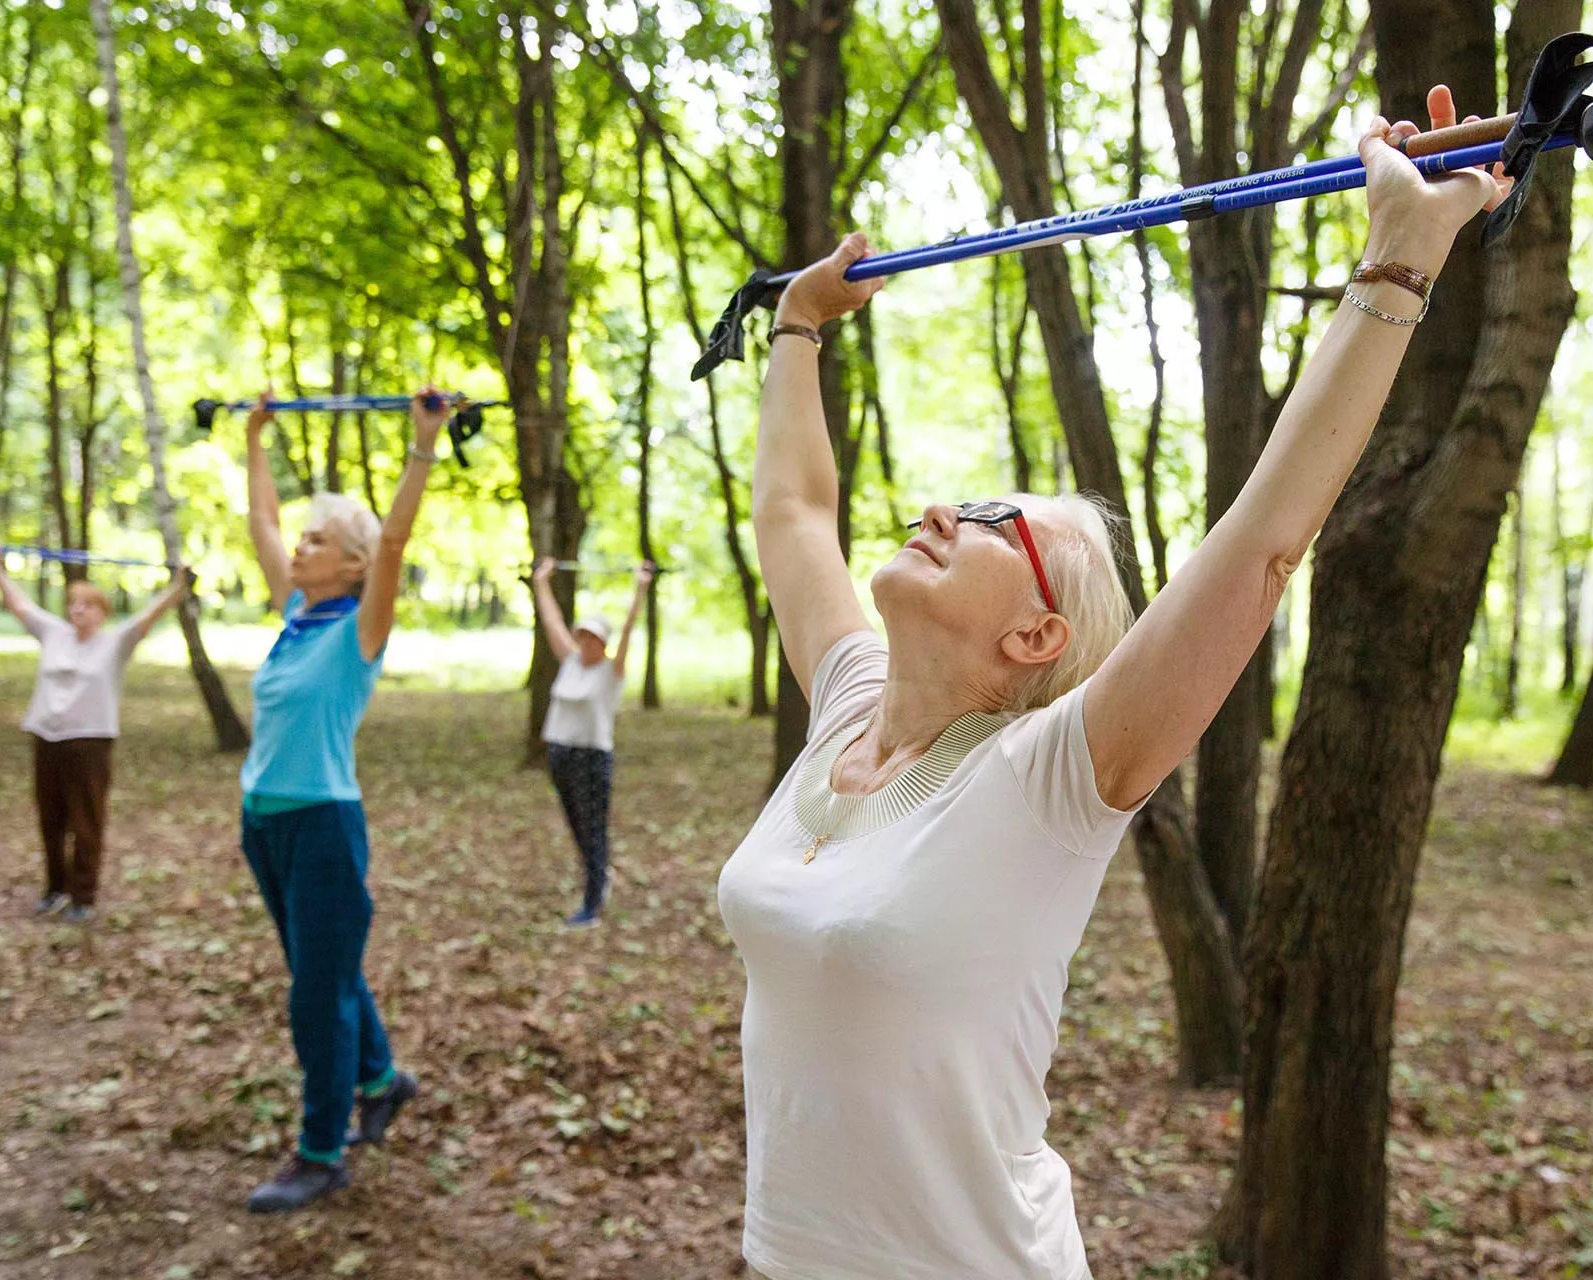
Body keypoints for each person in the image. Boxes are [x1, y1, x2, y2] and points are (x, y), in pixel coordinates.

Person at [716, 89, 1508, 1280]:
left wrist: (1404, 253)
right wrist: (795, 325)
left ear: (1037, 634)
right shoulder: (849, 699)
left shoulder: (1046, 778)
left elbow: (1262, 545)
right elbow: (791, 511)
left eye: (992, 519)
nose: (940, 510)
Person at [234, 388, 448, 1213]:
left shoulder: (362, 627)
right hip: (265, 823)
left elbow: (394, 538)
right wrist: (256, 441)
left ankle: (321, 1152)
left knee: (315, 995)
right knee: (323, 970)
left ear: (353, 566)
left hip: (323, 825)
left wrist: (422, 444)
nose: (299, 544)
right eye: (304, 535)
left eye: (318, 538)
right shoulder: (295, 613)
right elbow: (261, 524)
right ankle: (383, 1081)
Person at [0, 540, 190, 924]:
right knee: (50, 820)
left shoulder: (115, 642)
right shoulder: (54, 633)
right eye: (74, 603)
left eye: (87, 605)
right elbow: (19, 604)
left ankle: (83, 895)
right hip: (47, 738)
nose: (78, 610)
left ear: (103, 612)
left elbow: (153, 612)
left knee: (86, 822)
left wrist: (179, 585)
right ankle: (55, 889)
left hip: (90, 742)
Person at [529, 558, 654, 928]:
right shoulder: (570, 662)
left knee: (593, 829)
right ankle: (599, 878)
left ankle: (592, 905)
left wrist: (640, 588)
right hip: (559, 753)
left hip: (591, 758)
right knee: (575, 825)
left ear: (603, 642)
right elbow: (551, 621)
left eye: (593, 637)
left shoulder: (610, 672)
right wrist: (541, 583)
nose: (586, 642)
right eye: (582, 635)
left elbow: (629, 629)